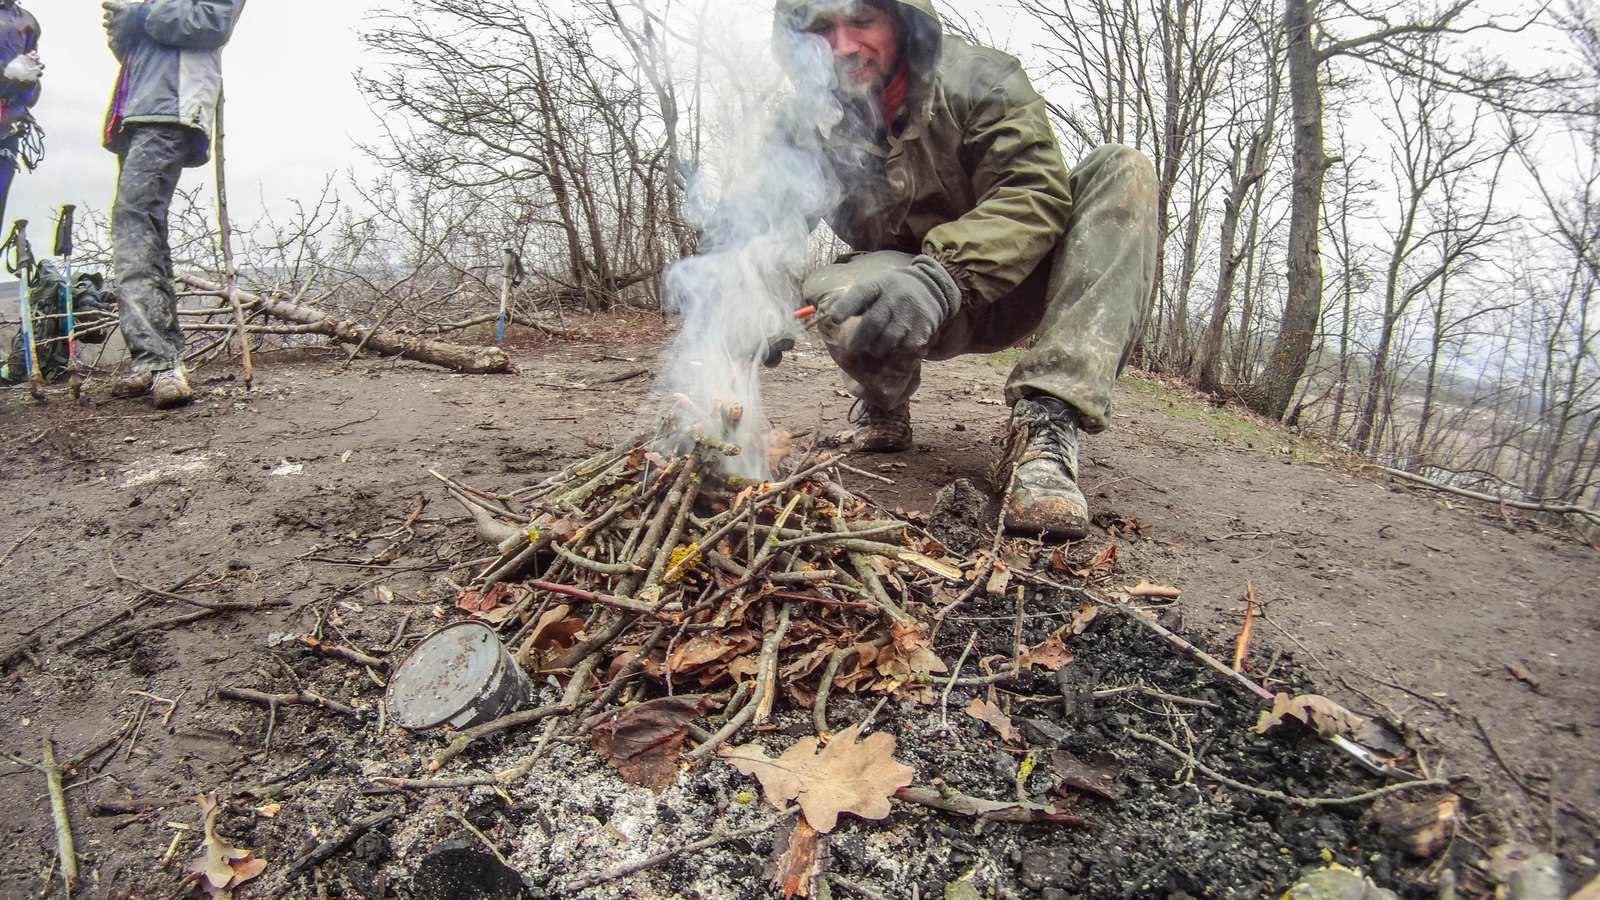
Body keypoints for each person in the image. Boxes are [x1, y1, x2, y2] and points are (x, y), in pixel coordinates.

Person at [777, 0, 1157, 540]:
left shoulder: (982, 78)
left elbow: (1033, 191)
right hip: (899, 302)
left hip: (1017, 282)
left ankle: (1046, 428)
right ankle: (882, 400)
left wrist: (942, 275)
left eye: (861, 20)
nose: (841, 46)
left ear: (900, 18)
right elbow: (768, 221)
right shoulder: (809, 120)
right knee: (835, 288)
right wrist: (748, 300)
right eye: (820, 28)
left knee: (1124, 170)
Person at [102, 0, 246, 409]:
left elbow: (213, 22)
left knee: (133, 222)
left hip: (172, 107)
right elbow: (137, 52)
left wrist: (141, 14)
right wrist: (122, 32)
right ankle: (156, 359)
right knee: (144, 229)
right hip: (140, 110)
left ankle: (160, 360)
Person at [0, 0, 42, 229]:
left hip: (7, 131)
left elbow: (32, 95)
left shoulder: (27, 22)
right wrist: (6, 74)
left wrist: (27, 80)